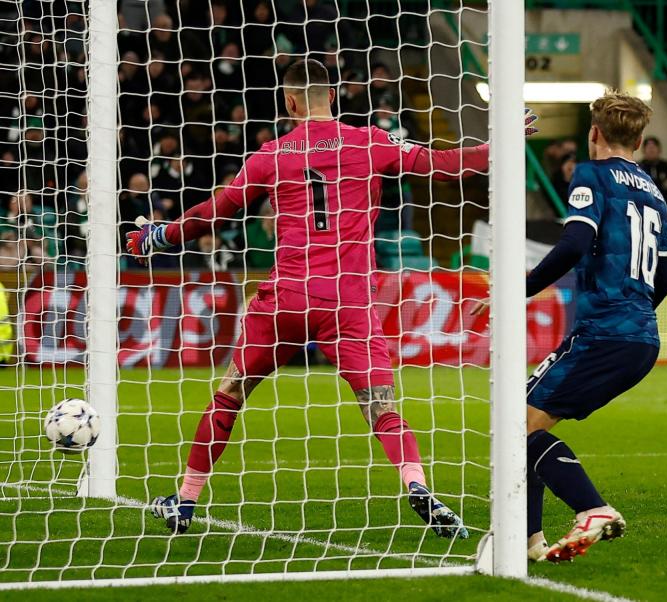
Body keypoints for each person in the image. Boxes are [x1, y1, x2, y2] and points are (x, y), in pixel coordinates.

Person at [127, 58, 539, 537]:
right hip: (347, 303)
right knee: (381, 405)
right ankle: (416, 484)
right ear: (334, 97)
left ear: (290, 101)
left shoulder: (271, 155)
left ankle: (185, 500)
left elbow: (215, 213)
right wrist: (500, 142)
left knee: (231, 392)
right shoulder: (370, 142)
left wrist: (159, 236)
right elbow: (443, 166)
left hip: (284, 300)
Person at [477, 90, 667, 562]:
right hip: (641, 337)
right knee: (522, 422)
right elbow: (664, 278)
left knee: (514, 425)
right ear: (641, 138)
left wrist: (515, 290)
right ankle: (527, 540)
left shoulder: (591, 174)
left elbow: (574, 244)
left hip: (604, 333)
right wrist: (633, 312)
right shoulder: (654, 192)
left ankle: (593, 509)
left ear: (594, 134)